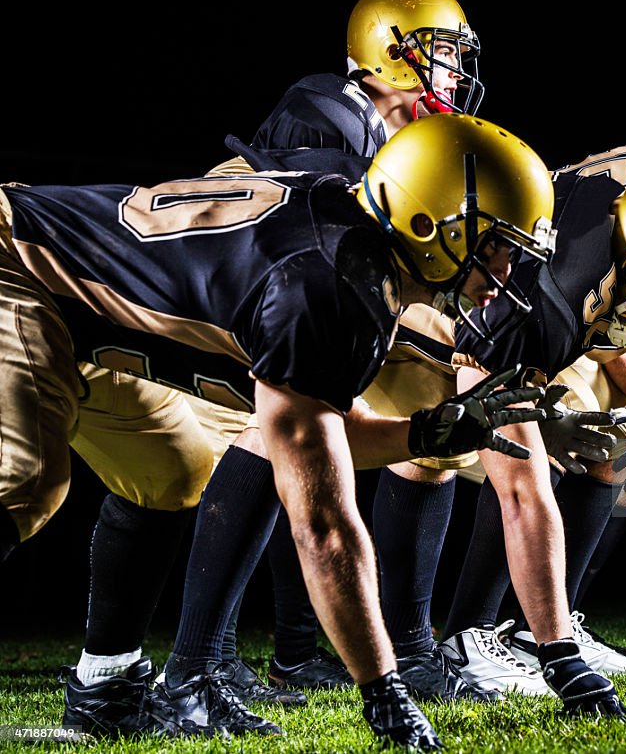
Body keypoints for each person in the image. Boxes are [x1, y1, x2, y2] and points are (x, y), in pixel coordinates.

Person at [0, 112, 558, 750]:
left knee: (171, 471)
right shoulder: (330, 284)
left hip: (89, 321)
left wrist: (425, 435)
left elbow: (316, 430)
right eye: (497, 247)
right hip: (18, 266)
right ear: (430, 224)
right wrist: (384, 692)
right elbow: (322, 525)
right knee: (24, 481)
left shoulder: (355, 236)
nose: (506, 273)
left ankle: (106, 689)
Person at [170, 0, 493, 704]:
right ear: (390, 50)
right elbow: (332, 252)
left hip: (277, 291)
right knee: (269, 438)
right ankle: (206, 657)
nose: (454, 71)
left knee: (329, 431)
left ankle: (312, 650)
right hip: (224, 284)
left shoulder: (390, 130)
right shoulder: (324, 114)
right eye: (441, 53)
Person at [438, 171, 626, 700]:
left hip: (491, 338)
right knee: (516, 462)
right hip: (455, 340)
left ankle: (527, 631)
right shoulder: (566, 287)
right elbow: (497, 346)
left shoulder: (615, 268)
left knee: (602, 446)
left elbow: (608, 339)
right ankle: (462, 637)